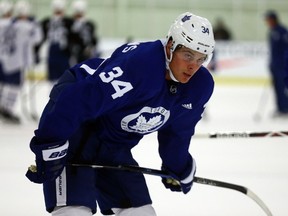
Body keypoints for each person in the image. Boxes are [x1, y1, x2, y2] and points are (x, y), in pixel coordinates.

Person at [25, 12, 215, 216]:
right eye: (187, 55)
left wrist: (178, 166)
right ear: (170, 47)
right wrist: (49, 146)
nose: (193, 66)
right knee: (74, 212)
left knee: (142, 213)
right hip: (76, 128)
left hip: (113, 145)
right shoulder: (141, 66)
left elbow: (177, 134)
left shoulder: (199, 86)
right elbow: (76, 100)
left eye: (201, 58)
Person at [35, 0, 73, 84]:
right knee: (60, 79)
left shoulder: (68, 22)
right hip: (57, 53)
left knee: (60, 79)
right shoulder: (68, 22)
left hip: (62, 53)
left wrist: (36, 51)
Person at [265, 10, 288, 117]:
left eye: (268, 19)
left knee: (282, 86)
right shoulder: (272, 31)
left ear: (273, 19)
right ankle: (280, 108)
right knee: (277, 87)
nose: (266, 22)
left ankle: (285, 108)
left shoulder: (282, 31)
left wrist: (283, 63)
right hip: (275, 66)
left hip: (283, 66)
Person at [70, 0, 98, 65]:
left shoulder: (72, 23)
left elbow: (94, 40)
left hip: (81, 53)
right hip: (80, 52)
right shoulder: (89, 24)